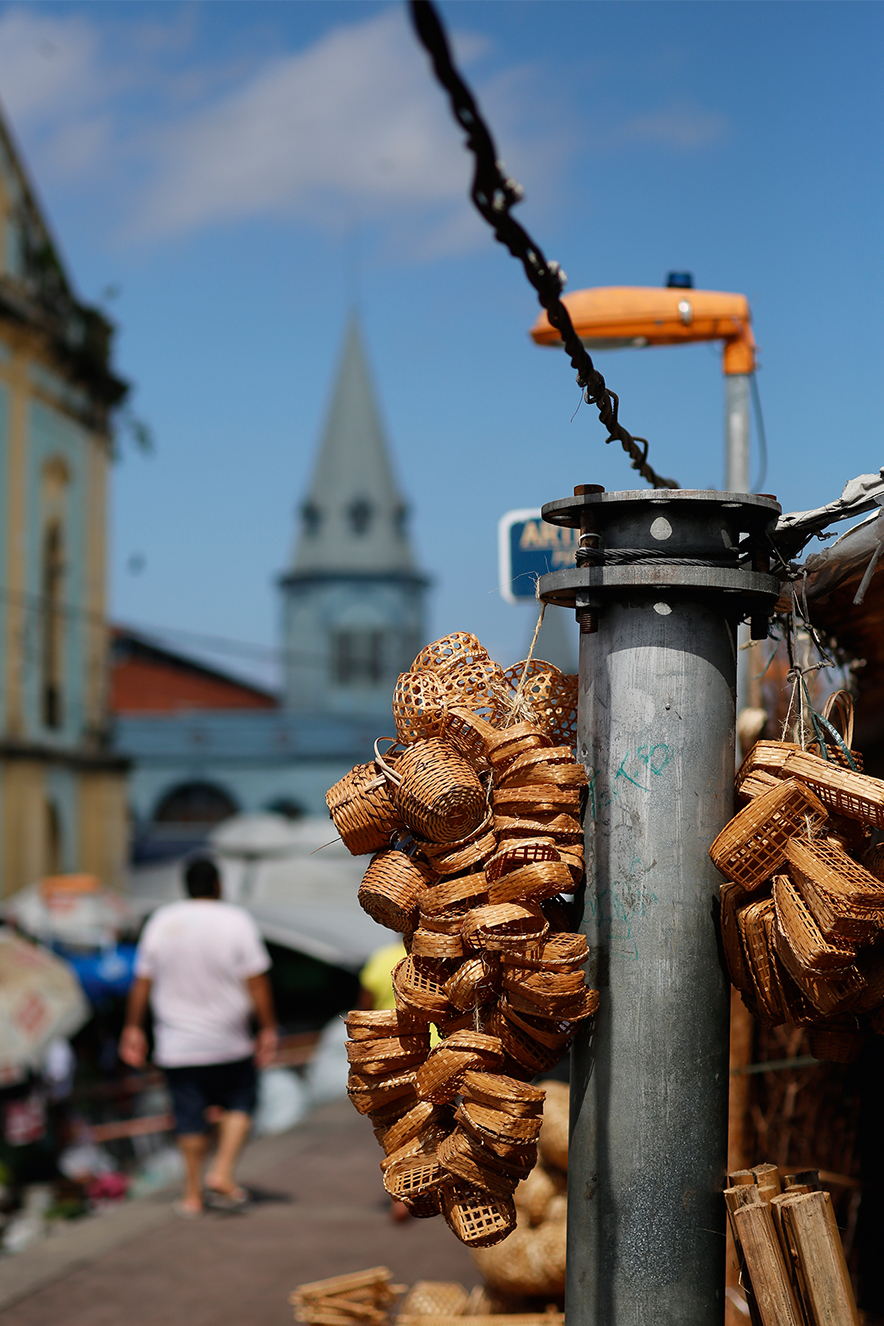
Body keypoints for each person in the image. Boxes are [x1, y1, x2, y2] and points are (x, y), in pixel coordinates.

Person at [119, 857, 277, 1216]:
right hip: (229, 1038)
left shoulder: (162, 921)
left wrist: (132, 1028)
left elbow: (142, 981)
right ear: (218, 886)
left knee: (188, 1116)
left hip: (176, 1043)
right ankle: (221, 1170)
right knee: (241, 1103)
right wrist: (267, 1027)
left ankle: (191, 1195)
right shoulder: (236, 920)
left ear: (186, 887)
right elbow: (257, 980)